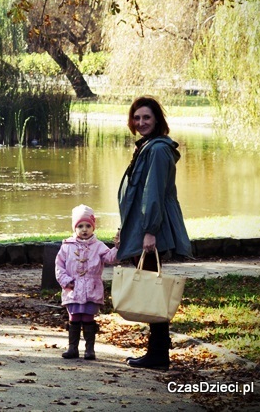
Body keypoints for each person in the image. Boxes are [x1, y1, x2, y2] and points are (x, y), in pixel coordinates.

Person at [116, 96, 192, 371]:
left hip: (154, 230)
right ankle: (158, 351)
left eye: (146, 118)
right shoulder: (148, 147)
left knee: (153, 288)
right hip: (146, 227)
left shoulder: (158, 150)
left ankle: (158, 354)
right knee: (151, 285)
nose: (141, 122)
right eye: (136, 118)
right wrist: (125, 231)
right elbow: (137, 195)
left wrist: (149, 232)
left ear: (157, 120)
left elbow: (154, 195)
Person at [55, 204, 119, 360]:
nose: (84, 229)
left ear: (93, 227)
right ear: (75, 228)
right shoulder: (67, 247)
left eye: (88, 226)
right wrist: (66, 281)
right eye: (80, 226)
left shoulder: (98, 246)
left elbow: (111, 258)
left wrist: (118, 246)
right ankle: (72, 348)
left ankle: (90, 349)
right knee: (74, 317)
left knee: (88, 318)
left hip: (92, 288)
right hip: (73, 289)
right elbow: (59, 266)